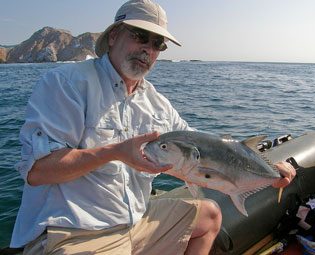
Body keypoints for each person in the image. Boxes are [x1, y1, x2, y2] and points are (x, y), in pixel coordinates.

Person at [10, 0, 295, 254]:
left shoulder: (157, 104)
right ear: (113, 36)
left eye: (157, 43)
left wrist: (270, 168)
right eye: (140, 36)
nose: (148, 49)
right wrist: (115, 152)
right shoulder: (67, 83)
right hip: (77, 233)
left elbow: (205, 153)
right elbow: (38, 172)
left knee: (209, 216)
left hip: (136, 222)